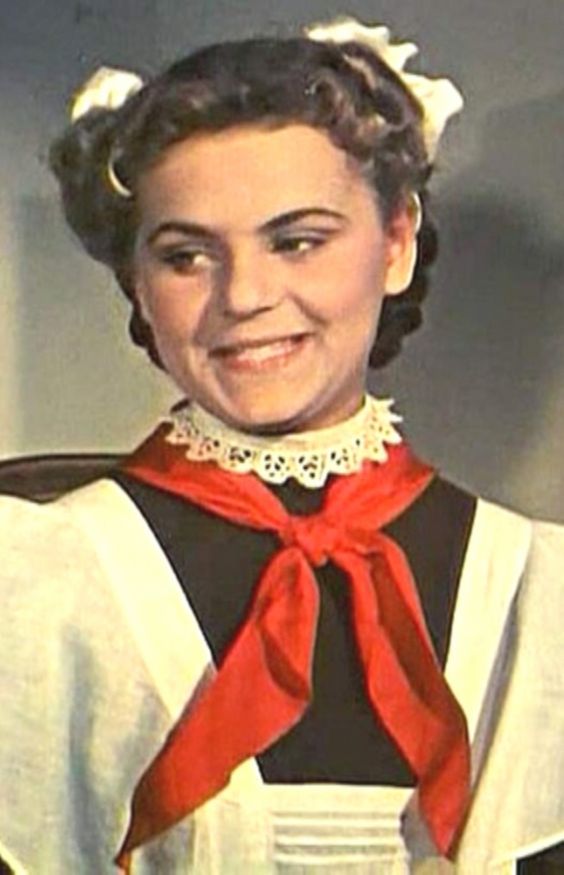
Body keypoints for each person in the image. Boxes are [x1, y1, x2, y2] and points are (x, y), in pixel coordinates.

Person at [1, 16, 563, 875]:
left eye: (297, 241)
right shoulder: (38, 584)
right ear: (139, 284)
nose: (245, 296)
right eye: (187, 255)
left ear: (397, 243)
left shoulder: (538, 594)